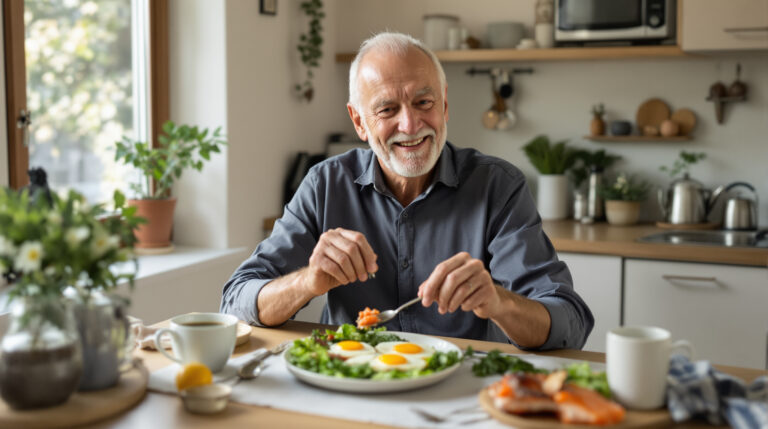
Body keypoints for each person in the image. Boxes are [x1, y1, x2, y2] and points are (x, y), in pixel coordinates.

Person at [221, 32, 593, 350]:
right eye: (387, 109)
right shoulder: (324, 184)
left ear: (444, 105)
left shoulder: (499, 187)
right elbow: (235, 302)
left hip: (460, 394)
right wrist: (308, 280)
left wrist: (500, 303)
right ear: (359, 122)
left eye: (423, 102)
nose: (410, 124)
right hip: (348, 385)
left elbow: (570, 324)